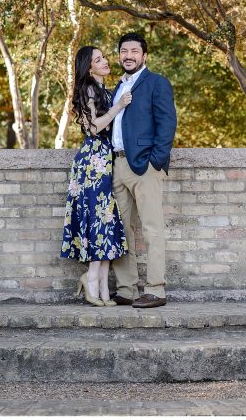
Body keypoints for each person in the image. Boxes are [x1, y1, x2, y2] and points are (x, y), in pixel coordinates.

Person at [109, 32, 177, 309]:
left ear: (144, 56)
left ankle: (156, 289)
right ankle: (127, 289)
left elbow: (167, 123)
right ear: (119, 56)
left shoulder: (156, 83)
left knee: (151, 228)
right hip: (118, 164)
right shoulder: (118, 87)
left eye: (134, 51)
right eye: (124, 51)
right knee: (122, 229)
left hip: (145, 165)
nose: (128, 55)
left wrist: (155, 161)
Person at [60, 46, 131, 306]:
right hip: (92, 162)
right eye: (98, 60)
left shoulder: (104, 90)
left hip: (105, 159)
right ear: (88, 68)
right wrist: (118, 107)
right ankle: (91, 279)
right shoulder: (88, 88)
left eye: (103, 57)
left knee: (105, 219)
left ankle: (101, 285)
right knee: (98, 219)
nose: (105, 62)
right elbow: (93, 128)